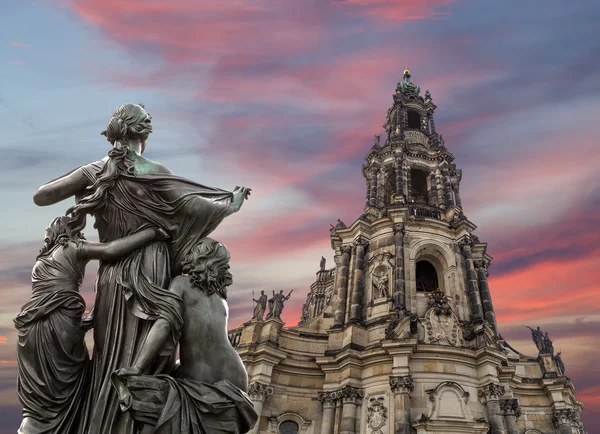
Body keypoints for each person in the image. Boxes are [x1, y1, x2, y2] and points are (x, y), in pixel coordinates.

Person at [32, 104, 251, 434]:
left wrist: (88, 180)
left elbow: (42, 196)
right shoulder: (156, 171)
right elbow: (195, 206)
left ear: (113, 132)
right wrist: (228, 202)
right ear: (144, 134)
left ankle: (102, 424)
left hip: (114, 271)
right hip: (154, 267)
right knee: (152, 356)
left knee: (109, 355)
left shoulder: (96, 170)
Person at [14, 216, 168, 434]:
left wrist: (87, 320)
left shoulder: (41, 260)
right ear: (70, 231)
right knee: (68, 389)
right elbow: (112, 249)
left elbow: (51, 298)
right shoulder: (71, 247)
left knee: (39, 405)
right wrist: (151, 232)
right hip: (58, 329)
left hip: (30, 332)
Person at [111, 238, 257, 434]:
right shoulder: (221, 300)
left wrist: (137, 367)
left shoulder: (182, 283)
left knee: (152, 415)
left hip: (202, 379)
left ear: (200, 257)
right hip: (237, 380)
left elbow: (164, 324)